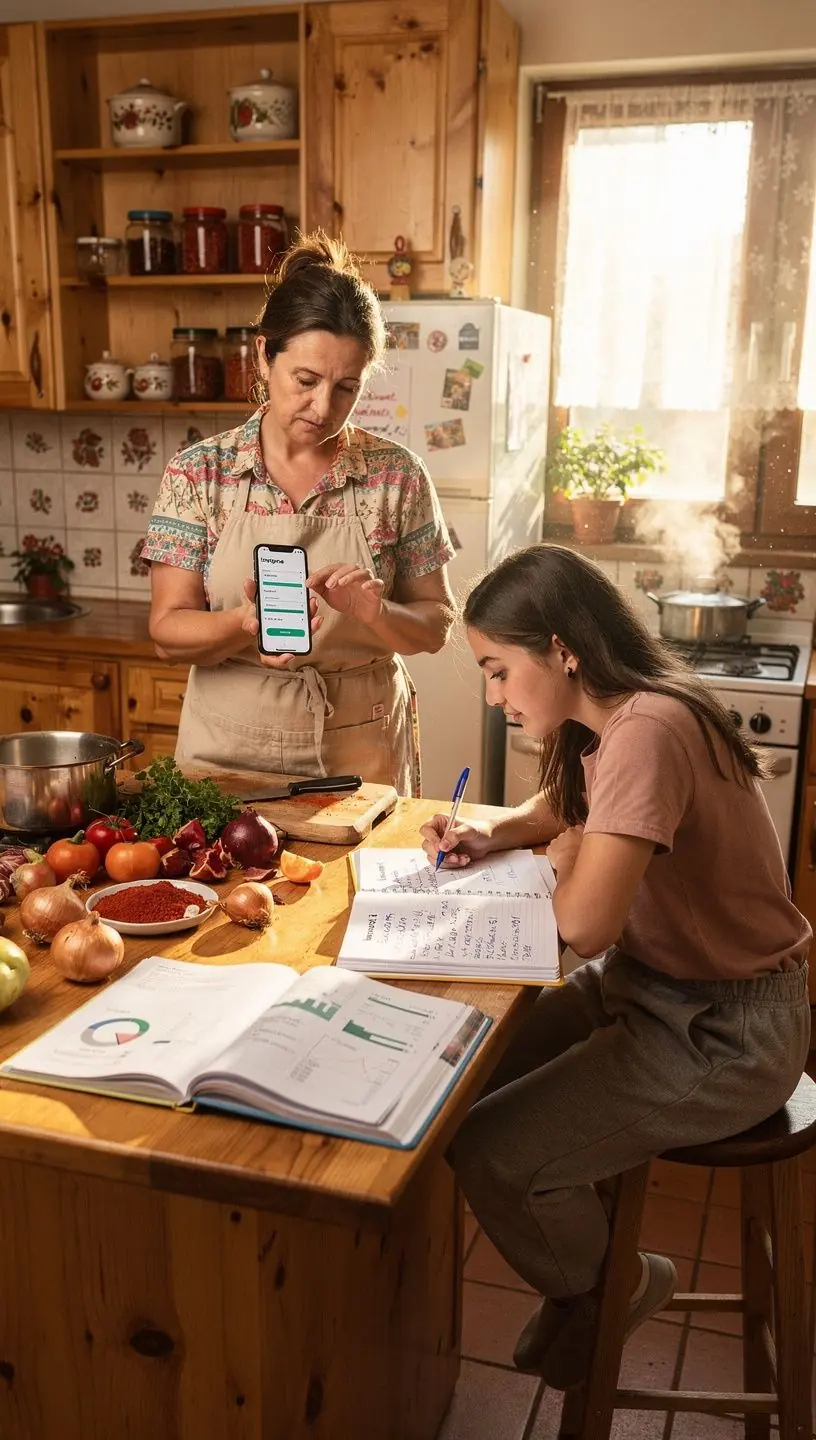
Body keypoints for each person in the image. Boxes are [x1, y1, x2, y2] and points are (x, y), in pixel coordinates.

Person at [419, 543, 811, 1389]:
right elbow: (566, 804)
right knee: (449, 1079)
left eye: (497, 671)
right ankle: (587, 1263)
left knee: (492, 1154)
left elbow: (585, 926)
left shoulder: (649, 731)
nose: (493, 696)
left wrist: (565, 860)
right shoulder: (623, 712)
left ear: (561, 649)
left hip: (728, 1031)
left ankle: (613, 1283)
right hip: (650, 991)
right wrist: (495, 831)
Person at [142, 232, 455, 792]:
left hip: (360, 749)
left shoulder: (397, 476)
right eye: (306, 381)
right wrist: (246, 622)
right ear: (264, 355)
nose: (323, 406)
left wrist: (376, 611)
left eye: (347, 387)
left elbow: (435, 625)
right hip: (228, 748)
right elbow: (167, 631)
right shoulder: (200, 474)